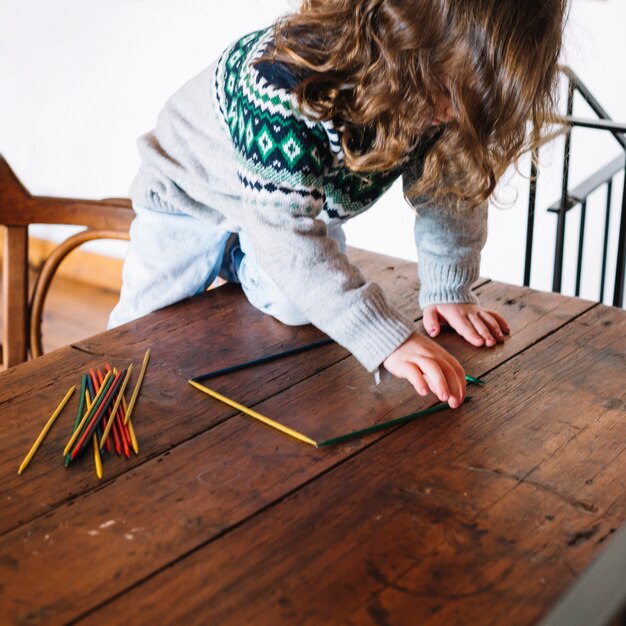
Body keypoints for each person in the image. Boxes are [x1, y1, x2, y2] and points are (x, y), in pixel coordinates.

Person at [109, 0, 567, 409]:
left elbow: (450, 189)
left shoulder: (439, 94)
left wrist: (448, 286)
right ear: (403, 34)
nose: (449, 115)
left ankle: (249, 255)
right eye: (449, 93)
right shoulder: (285, 81)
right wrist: (386, 339)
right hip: (187, 197)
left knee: (301, 304)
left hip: (284, 209)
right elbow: (284, 233)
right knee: (136, 342)